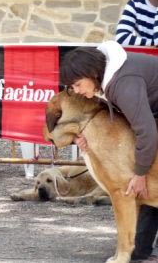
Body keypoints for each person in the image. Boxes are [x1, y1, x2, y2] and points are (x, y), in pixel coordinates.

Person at [61, 41, 158, 262]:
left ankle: (142, 251)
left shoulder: (122, 83)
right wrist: (85, 139)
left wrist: (140, 173)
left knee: (145, 176)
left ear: (92, 73)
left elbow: (147, 132)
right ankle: (140, 251)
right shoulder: (107, 77)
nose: (76, 92)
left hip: (152, 122)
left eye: (77, 85)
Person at [113, 0, 158, 262]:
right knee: (147, 172)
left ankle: (141, 248)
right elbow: (123, 40)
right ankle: (140, 247)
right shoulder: (134, 6)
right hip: (146, 98)